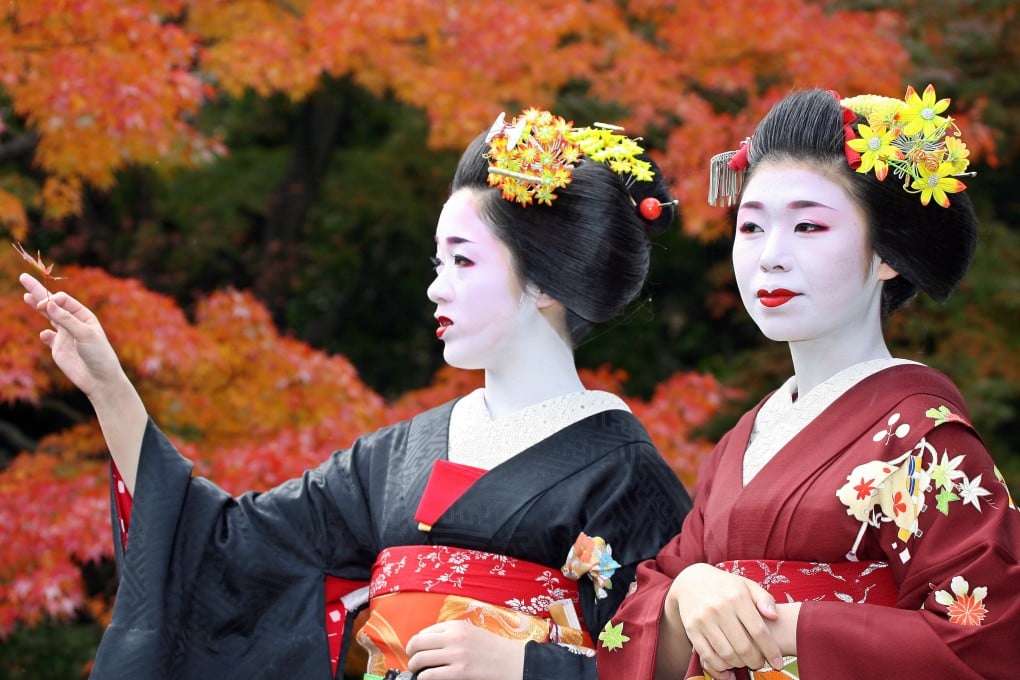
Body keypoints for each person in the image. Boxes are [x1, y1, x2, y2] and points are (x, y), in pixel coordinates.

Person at [20, 108, 692, 680]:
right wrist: (111, 390)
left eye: (462, 260)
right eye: (438, 261)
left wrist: (523, 666)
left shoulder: (624, 476)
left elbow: (657, 658)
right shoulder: (399, 455)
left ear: (547, 282)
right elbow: (230, 545)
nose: (437, 287)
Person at [595, 86, 1020, 680]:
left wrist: (786, 627)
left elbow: (985, 642)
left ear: (886, 254)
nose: (771, 256)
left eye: (809, 227)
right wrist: (687, 592)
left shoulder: (925, 439)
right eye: (751, 227)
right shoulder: (742, 441)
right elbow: (647, 605)